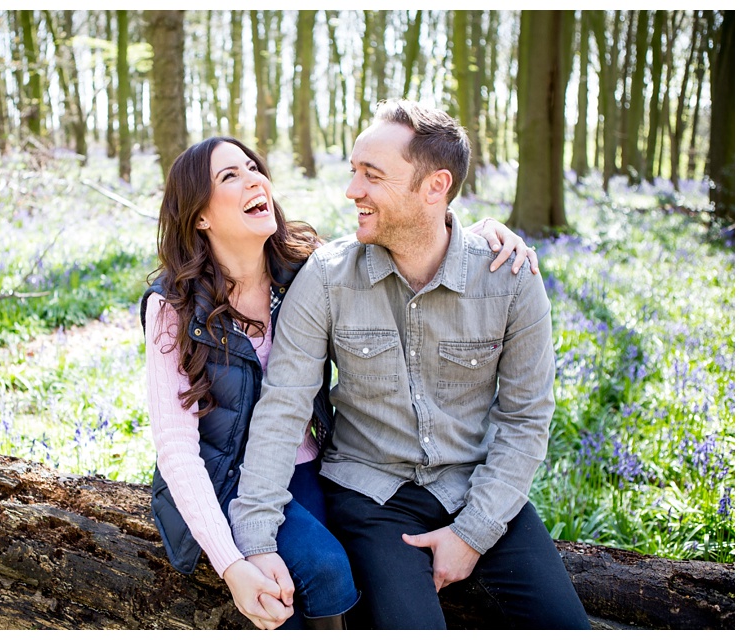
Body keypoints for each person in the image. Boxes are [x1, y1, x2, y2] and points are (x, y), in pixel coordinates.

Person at [142, 135, 538, 630]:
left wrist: (477, 233)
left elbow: (410, 233)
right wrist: (232, 563)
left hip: (305, 463)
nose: (254, 179)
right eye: (230, 176)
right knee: (306, 575)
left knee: (341, 571)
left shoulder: (303, 269)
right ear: (199, 215)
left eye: (253, 167)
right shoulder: (174, 307)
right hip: (221, 474)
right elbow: (176, 450)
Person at [228, 101, 591, 629]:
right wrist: (256, 540)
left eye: (371, 176)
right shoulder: (328, 279)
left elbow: (526, 418)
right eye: (354, 171)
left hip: (476, 484)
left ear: (434, 186)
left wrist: (473, 533)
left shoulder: (511, 279)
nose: (352, 191)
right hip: (371, 495)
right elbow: (282, 409)